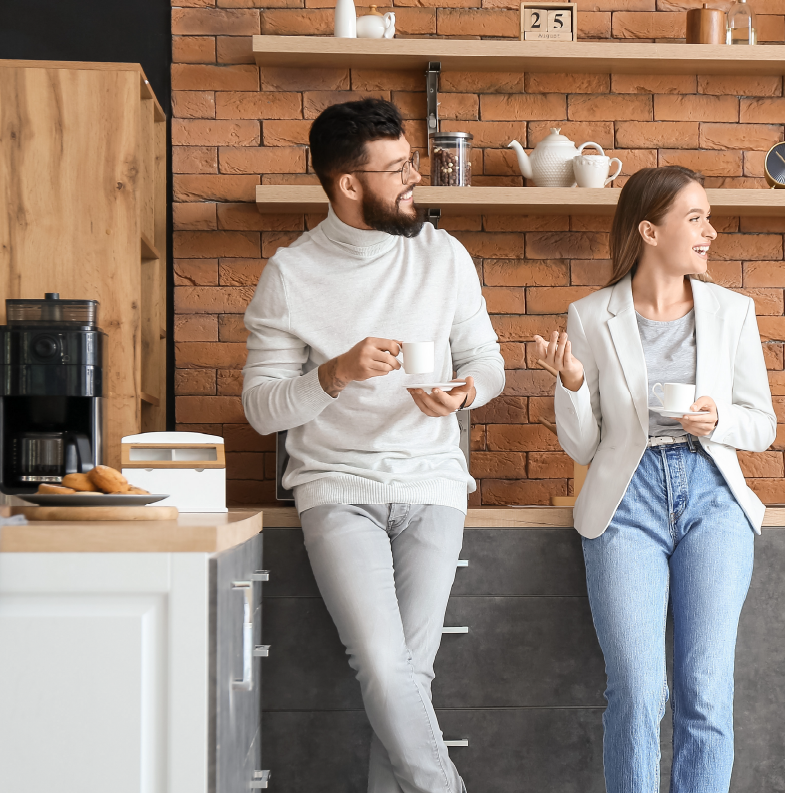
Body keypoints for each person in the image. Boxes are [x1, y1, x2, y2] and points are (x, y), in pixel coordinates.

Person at [240, 98, 504, 793]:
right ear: (348, 184)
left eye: (412, 161)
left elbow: (488, 360)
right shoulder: (291, 274)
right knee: (388, 668)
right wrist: (333, 374)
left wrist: (464, 392)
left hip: (433, 484)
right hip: (337, 489)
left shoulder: (444, 256)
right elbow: (262, 409)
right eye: (398, 168)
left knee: (407, 680)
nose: (416, 177)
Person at [533, 166, 776, 793]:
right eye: (694, 218)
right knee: (639, 688)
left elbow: (763, 425)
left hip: (713, 497)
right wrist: (572, 384)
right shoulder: (591, 316)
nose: (710, 231)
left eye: (707, 217)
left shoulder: (732, 312)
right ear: (649, 230)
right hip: (626, 500)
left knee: (705, 686)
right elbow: (584, 443)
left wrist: (718, 419)